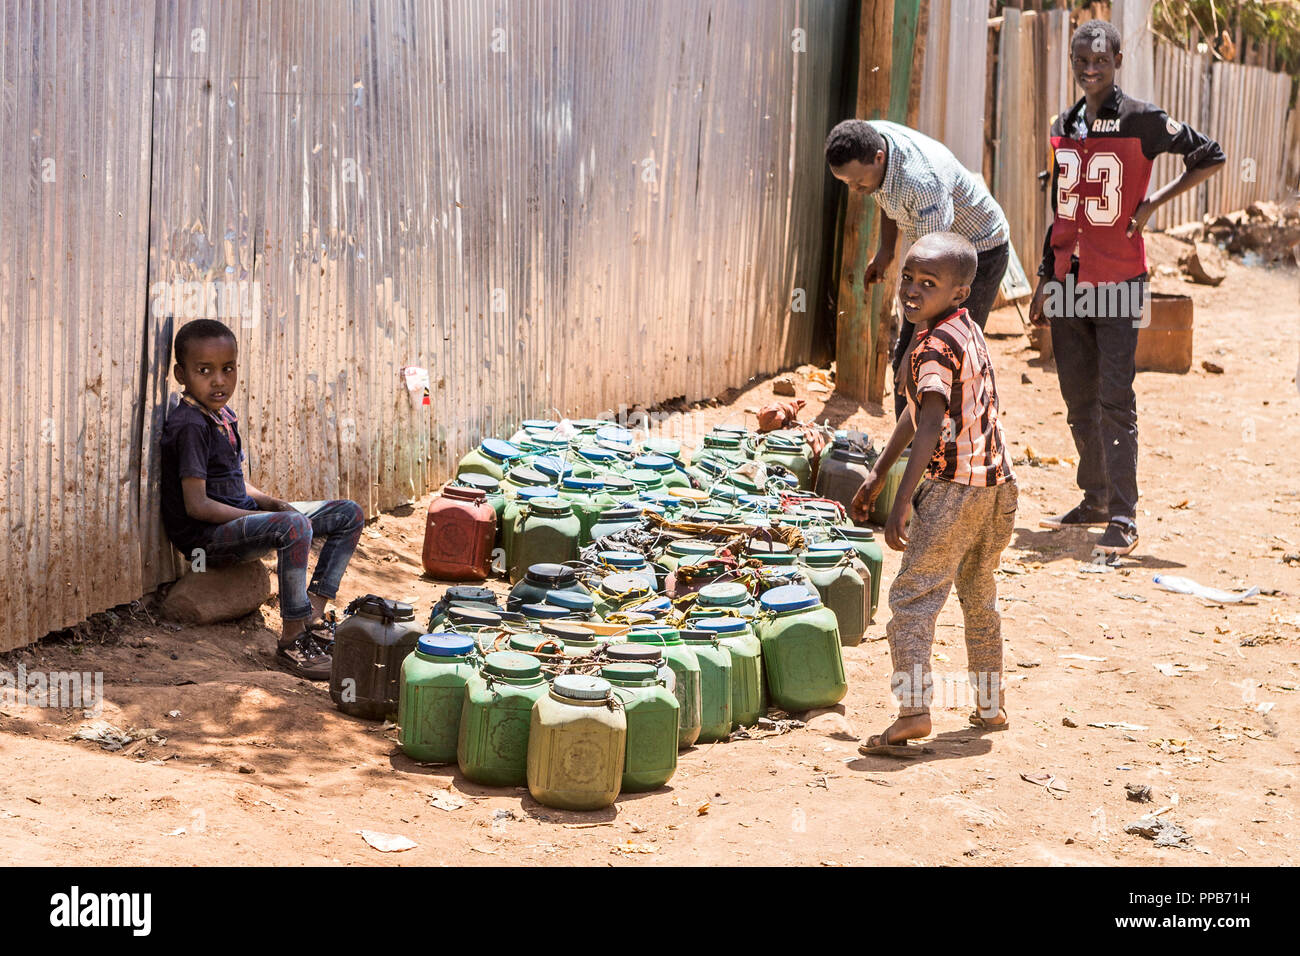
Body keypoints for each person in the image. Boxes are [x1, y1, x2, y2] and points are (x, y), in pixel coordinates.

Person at [1029, 19, 1224, 555]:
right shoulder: (1066, 122)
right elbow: (1062, 208)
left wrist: (1155, 204)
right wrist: (1045, 278)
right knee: (1076, 397)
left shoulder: (1142, 119)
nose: (1090, 70)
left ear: (1117, 61)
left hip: (1119, 280)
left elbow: (1209, 154)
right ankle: (1093, 497)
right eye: (1081, 62)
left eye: (1100, 61)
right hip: (1069, 280)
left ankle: (1122, 515)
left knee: (1115, 397)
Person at [850, 233, 1018, 754]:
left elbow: (928, 427)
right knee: (977, 592)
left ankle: (913, 710)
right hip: (998, 487)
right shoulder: (962, 329)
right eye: (908, 278)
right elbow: (920, 410)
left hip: (952, 493)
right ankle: (990, 704)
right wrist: (879, 471)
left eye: (929, 283)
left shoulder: (931, 346)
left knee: (911, 599)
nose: (912, 290)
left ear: (960, 292)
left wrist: (901, 499)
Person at [159, 319, 365, 679]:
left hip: (241, 518)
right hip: (206, 539)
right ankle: (291, 639)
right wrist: (256, 517)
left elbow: (239, 484)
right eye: (204, 371)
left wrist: (272, 504)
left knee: (347, 513)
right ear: (181, 373)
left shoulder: (223, 415)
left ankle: (312, 614)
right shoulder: (190, 425)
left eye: (227, 368)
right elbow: (198, 505)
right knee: (293, 526)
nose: (219, 380)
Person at [825, 119, 1011, 420]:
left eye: (858, 183)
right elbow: (886, 196)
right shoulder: (868, 140)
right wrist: (886, 251)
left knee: (943, 353)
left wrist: (917, 345)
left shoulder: (923, 184)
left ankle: (950, 449)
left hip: (979, 250)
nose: (855, 190)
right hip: (937, 251)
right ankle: (910, 454)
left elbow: (934, 270)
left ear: (879, 158)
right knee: (908, 360)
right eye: (847, 183)